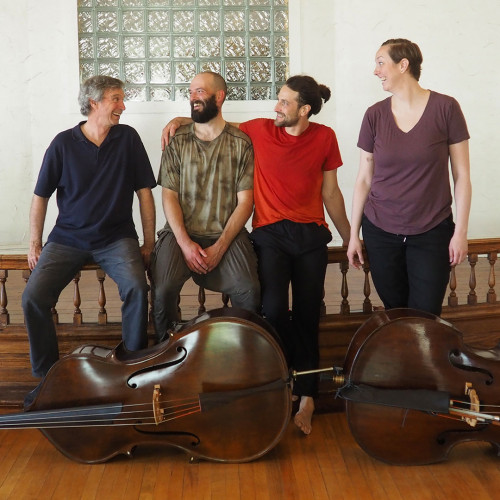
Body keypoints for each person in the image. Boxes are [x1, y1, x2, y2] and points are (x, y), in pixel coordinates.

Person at [162, 74, 351, 435]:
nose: (276, 107)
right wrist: (182, 119)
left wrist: (350, 238)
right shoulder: (261, 130)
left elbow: (331, 193)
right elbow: (220, 123)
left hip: (311, 235)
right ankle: (286, 380)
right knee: (274, 310)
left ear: (304, 110)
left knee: (308, 315)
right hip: (270, 234)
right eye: (278, 99)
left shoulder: (325, 137)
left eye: (284, 102)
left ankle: (307, 397)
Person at [22, 75, 156, 381]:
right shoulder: (62, 144)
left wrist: (149, 242)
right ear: (93, 102)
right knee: (32, 297)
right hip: (67, 238)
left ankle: (132, 367)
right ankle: (46, 376)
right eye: (116, 99)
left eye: (122, 98)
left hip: (116, 238)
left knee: (137, 288)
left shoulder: (128, 138)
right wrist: (34, 243)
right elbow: (40, 196)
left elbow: (145, 193)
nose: (123, 106)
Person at [347, 38, 472, 316]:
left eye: (381, 63)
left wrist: (461, 232)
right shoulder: (374, 115)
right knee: (397, 314)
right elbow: (364, 179)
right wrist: (353, 234)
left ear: (403, 65)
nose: (376, 71)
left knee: (426, 315)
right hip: (380, 231)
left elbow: (462, 176)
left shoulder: (446, 108)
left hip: (432, 231)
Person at [150, 71, 260, 341]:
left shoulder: (241, 143)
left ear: (219, 96)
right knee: (162, 289)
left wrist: (220, 247)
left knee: (249, 289)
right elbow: (169, 196)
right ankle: (165, 350)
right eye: (191, 92)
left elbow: (246, 202)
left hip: (225, 233)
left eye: (200, 91)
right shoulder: (176, 140)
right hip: (179, 233)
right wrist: (185, 244)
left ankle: (241, 350)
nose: (193, 98)